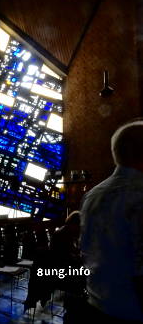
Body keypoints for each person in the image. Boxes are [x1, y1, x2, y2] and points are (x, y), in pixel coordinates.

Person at [80, 119, 143, 323]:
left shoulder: (92, 195)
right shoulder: (139, 193)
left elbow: (86, 248)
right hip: (133, 310)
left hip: (98, 303)